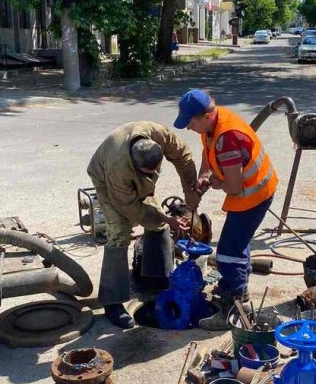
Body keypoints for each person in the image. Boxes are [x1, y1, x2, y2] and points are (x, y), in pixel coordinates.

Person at [173, 89, 278, 330]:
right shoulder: (212, 126)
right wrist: (204, 175)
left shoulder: (227, 137)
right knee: (237, 246)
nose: (189, 128)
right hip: (248, 193)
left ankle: (234, 307)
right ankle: (239, 286)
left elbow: (233, 186)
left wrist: (216, 183)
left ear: (206, 115)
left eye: (190, 122)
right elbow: (207, 152)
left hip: (252, 196)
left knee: (228, 253)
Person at [87, 122, 200, 329]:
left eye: (155, 170)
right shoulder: (118, 169)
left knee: (157, 225)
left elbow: (183, 156)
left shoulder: (158, 134)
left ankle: (156, 281)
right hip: (106, 180)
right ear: (135, 163)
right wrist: (166, 218)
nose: (153, 174)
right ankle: (112, 301)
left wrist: (190, 192)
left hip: (129, 176)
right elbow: (130, 207)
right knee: (119, 232)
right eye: (148, 172)